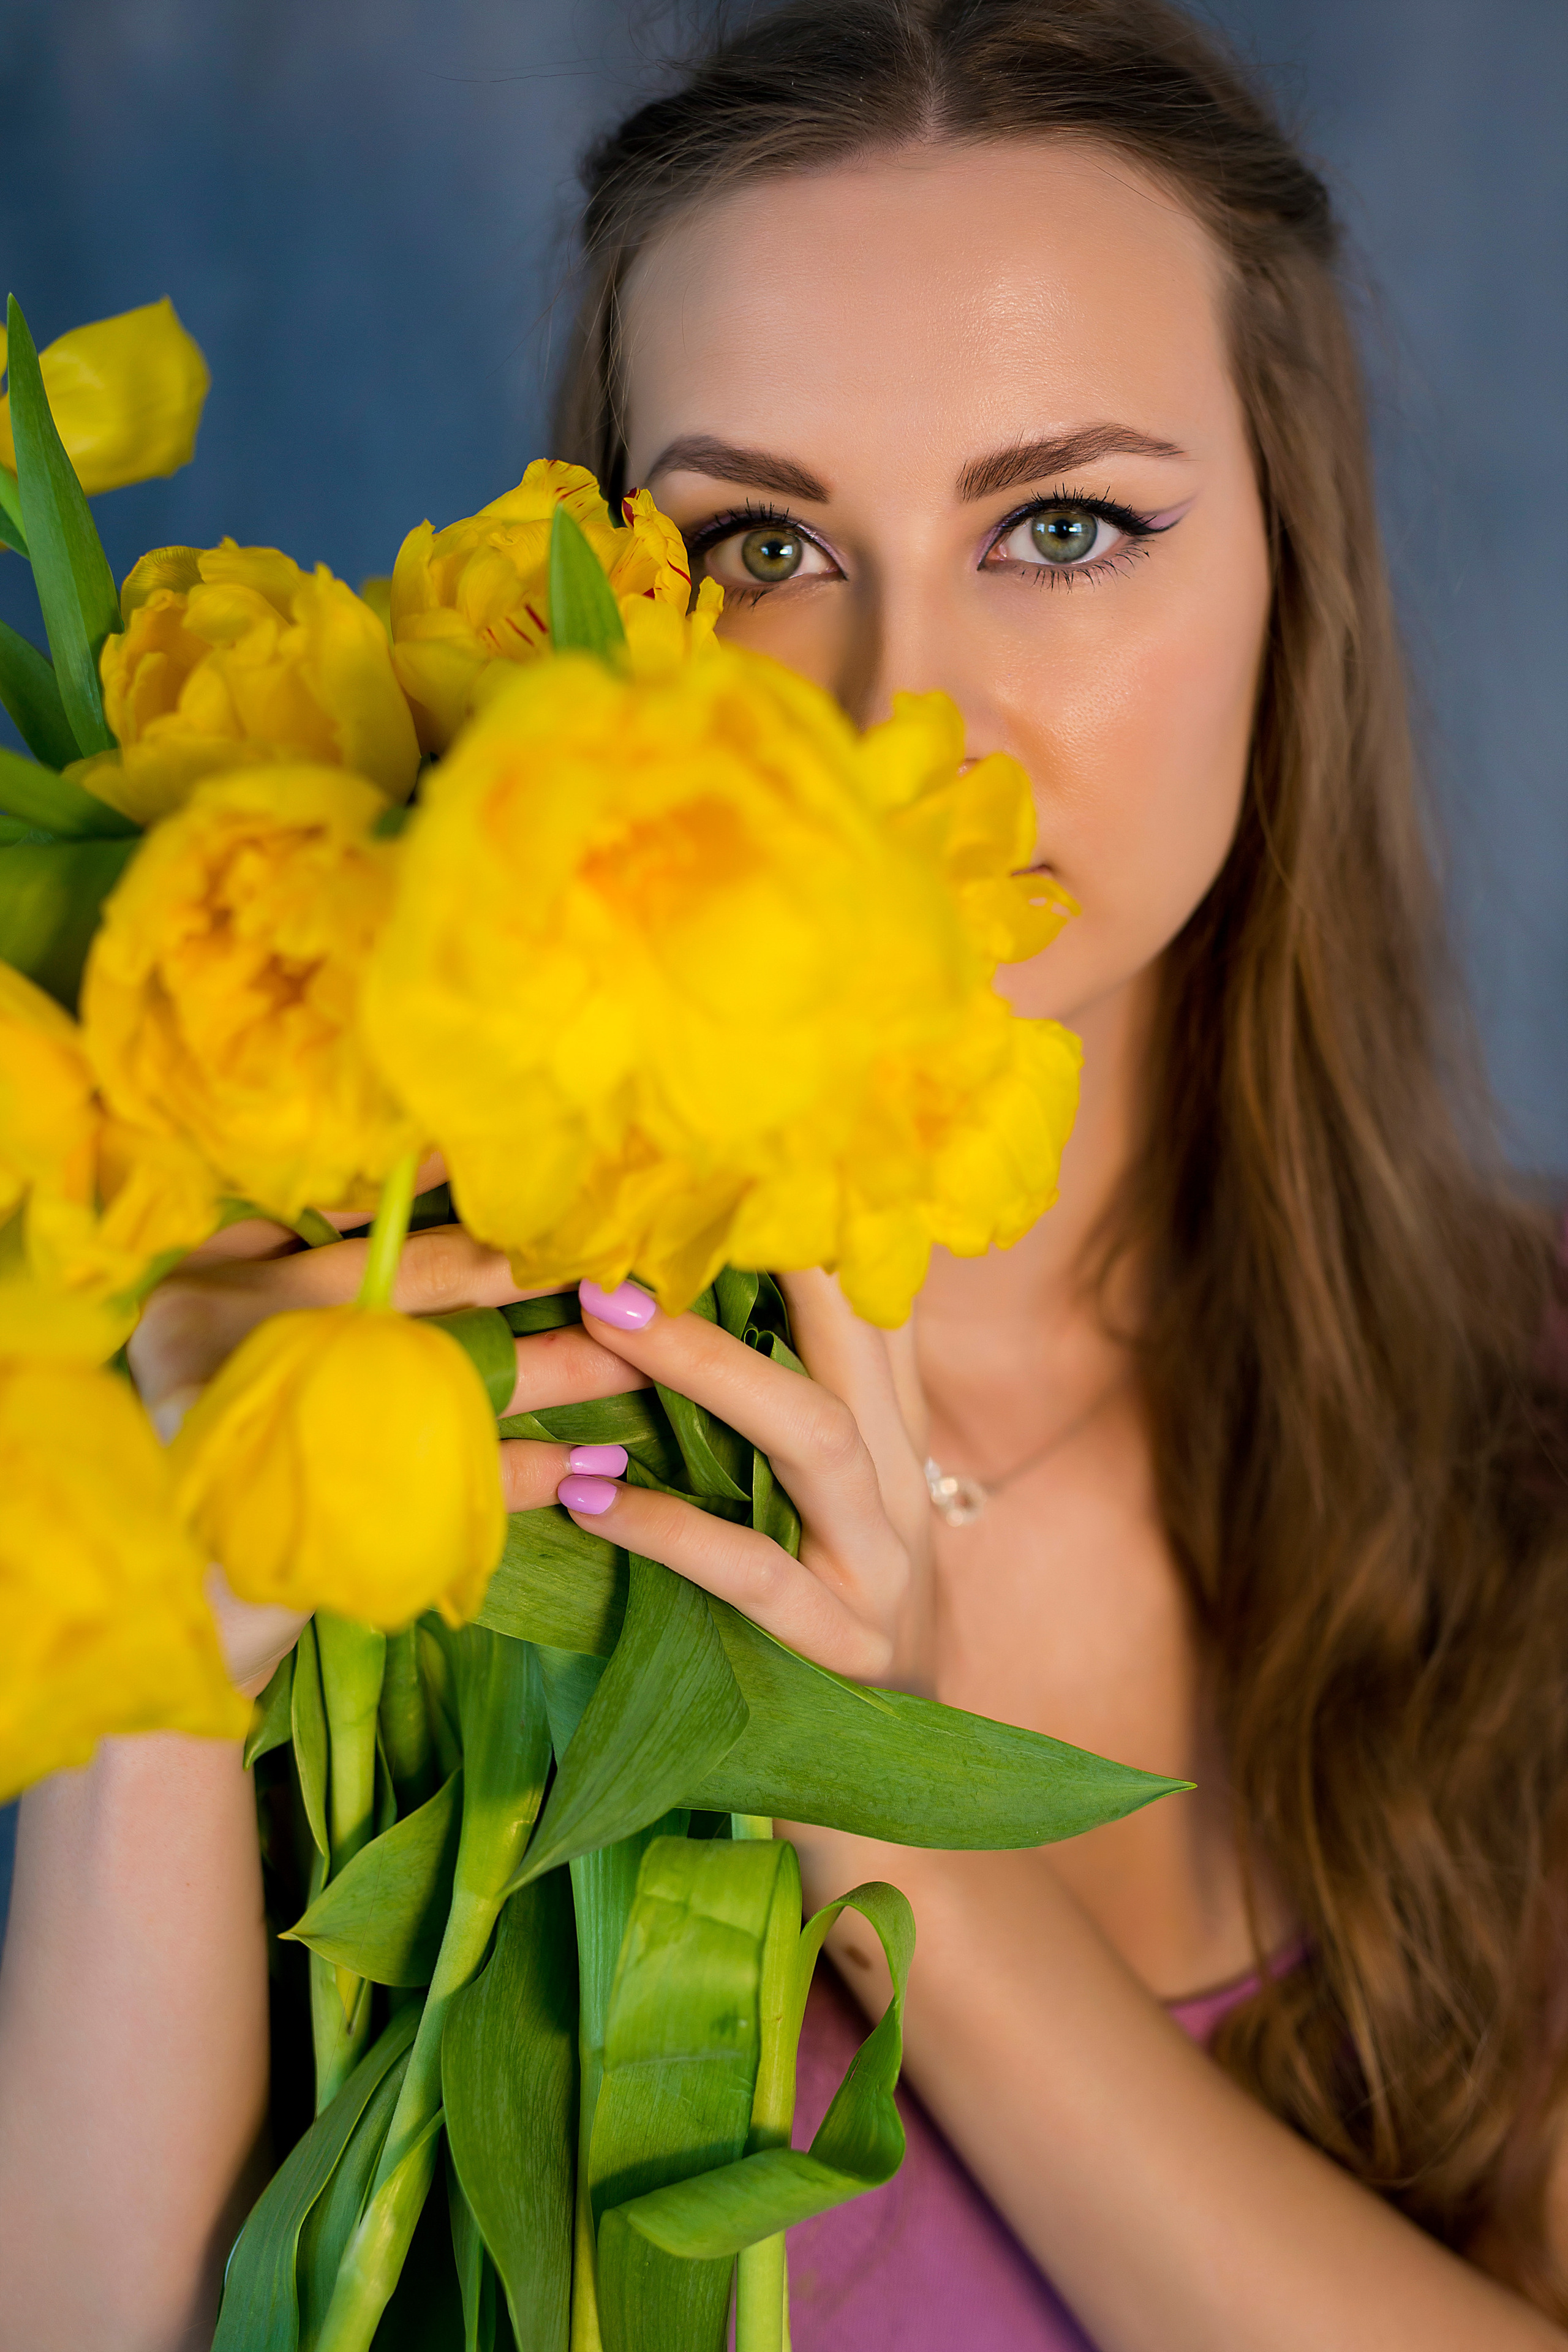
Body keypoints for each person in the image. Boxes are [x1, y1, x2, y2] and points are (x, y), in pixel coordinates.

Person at [3, 0, 1567, 2343]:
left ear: (1286, 582)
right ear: (604, 607)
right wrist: (151, 1656)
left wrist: (870, 1789)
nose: (898, 714)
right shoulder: (376, 1366)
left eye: (1064, 526)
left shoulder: (1532, 1425)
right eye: (766, 542)